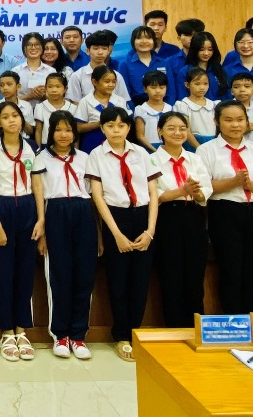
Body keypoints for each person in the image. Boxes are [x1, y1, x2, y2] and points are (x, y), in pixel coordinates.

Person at [87, 104, 160, 363]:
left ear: (129, 128)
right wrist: (115, 233)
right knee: (118, 281)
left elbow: (153, 193)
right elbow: (98, 196)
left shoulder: (141, 153)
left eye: (121, 125)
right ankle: (121, 336)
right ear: (102, 128)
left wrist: (150, 231)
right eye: (110, 126)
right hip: (114, 218)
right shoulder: (96, 155)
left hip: (143, 217)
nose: (116, 130)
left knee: (140, 281)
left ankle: (135, 332)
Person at [198, 101, 253, 315]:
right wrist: (234, 182)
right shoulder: (206, 150)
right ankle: (233, 323)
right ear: (217, 121)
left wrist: (250, 185)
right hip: (224, 212)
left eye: (240, 120)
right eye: (228, 120)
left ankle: (251, 321)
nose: (235, 125)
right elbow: (205, 188)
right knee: (231, 271)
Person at [0, 101, 45, 362]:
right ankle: (6, 330)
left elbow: (37, 184)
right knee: (4, 272)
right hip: (3, 207)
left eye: (15, 116)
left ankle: (22, 328)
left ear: (22, 119)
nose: (11, 120)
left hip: (28, 208)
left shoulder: (32, 147)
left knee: (25, 271)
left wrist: (41, 219)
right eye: (6, 117)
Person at [38, 110, 97, 358]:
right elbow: (39, 196)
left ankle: (78, 335)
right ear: (50, 132)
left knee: (84, 275)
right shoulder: (41, 158)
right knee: (59, 275)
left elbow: (94, 194)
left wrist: (98, 232)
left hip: (83, 212)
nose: (64, 135)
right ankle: (60, 334)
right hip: (56, 212)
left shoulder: (85, 158)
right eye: (59, 130)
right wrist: (42, 232)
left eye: (68, 130)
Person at [151, 112, 211, 328]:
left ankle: (195, 329)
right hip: (167, 218)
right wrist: (181, 191)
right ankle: (174, 328)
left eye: (182, 128)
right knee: (171, 276)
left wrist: (197, 193)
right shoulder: (151, 160)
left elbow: (206, 189)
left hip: (193, 215)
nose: (177, 133)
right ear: (160, 131)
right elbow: (154, 195)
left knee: (195, 275)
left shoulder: (195, 159)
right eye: (171, 128)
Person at [75, 65, 127, 153]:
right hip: (92, 143)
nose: (111, 85)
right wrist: (101, 123)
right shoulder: (85, 101)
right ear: (94, 82)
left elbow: (127, 123)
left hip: (117, 143)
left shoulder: (120, 101)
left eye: (113, 82)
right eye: (107, 81)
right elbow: (79, 127)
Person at [67, 30, 128, 105]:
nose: (100, 52)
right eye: (96, 49)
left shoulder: (117, 76)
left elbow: (123, 101)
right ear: (87, 51)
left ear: (108, 51)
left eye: (104, 49)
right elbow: (75, 103)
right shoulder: (77, 76)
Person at [117, 26, 170, 106]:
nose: (144, 41)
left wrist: (168, 109)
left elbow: (171, 90)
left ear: (154, 41)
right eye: (139, 38)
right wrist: (133, 111)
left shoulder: (164, 62)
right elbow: (124, 93)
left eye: (148, 38)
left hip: (163, 106)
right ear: (133, 41)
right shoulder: (124, 64)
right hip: (136, 106)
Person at [170, 32, 229, 102]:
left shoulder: (219, 70)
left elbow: (226, 96)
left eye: (210, 49)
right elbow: (182, 97)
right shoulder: (185, 71)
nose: (206, 53)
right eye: (202, 49)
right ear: (195, 50)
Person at [174, 69, 217, 149]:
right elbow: (186, 129)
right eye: (197, 84)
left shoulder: (213, 105)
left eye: (205, 84)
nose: (202, 87)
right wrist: (198, 147)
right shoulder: (183, 105)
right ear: (187, 85)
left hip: (213, 143)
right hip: (192, 143)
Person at [132, 71, 171, 152]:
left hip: (169, 148)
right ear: (145, 89)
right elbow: (140, 136)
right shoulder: (141, 110)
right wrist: (155, 151)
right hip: (148, 149)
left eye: (162, 87)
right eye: (153, 88)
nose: (158, 91)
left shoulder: (170, 109)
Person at [14, 32, 55, 106]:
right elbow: (10, 100)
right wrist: (29, 96)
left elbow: (56, 98)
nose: (33, 47)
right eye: (29, 44)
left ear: (42, 47)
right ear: (24, 48)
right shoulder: (16, 71)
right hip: (21, 111)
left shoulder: (51, 71)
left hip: (45, 111)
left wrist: (44, 95)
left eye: (37, 44)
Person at [224, 28, 253, 93]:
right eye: (241, 42)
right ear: (235, 44)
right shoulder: (227, 70)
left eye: (250, 42)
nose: (245, 46)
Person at [0, 72, 34, 136]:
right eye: (1, 85)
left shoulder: (26, 106)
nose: (5, 88)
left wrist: (20, 118)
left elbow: (30, 132)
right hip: (3, 139)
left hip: (23, 139)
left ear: (18, 86)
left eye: (9, 84)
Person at [33, 72, 73, 144]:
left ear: (65, 89)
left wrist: (75, 147)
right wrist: (38, 148)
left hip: (67, 145)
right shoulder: (40, 107)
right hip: (46, 145)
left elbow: (75, 131)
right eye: (50, 87)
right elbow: (38, 131)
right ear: (45, 88)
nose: (54, 90)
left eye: (58, 86)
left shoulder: (73, 108)